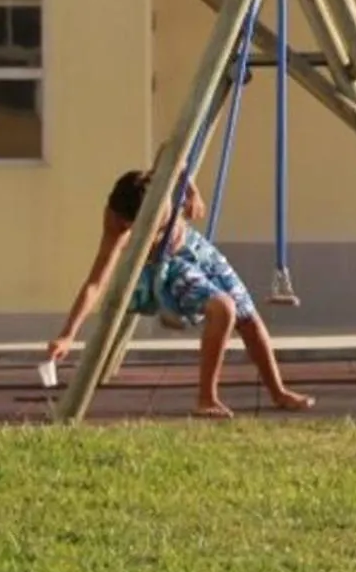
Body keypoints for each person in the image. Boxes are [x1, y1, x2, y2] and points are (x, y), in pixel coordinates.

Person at [48, 169, 315, 419]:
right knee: (223, 308)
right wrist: (68, 334)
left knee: (249, 317)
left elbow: (174, 152)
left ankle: (278, 392)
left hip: (195, 246)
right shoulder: (117, 224)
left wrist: (192, 192)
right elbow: (97, 282)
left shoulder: (157, 180)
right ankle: (206, 398)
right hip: (168, 268)